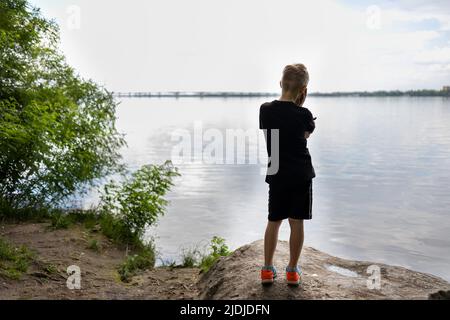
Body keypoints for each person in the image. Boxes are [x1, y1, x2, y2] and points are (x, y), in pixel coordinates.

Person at [259, 64, 316, 286]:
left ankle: (266, 269)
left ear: (281, 83)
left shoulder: (265, 109)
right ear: (304, 91)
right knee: (297, 222)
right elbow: (305, 133)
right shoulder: (305, 114)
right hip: (301, 174)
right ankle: (292, 271)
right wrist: (301, 106)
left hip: (277, 173)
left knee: (273, 221)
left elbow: (273, 134)